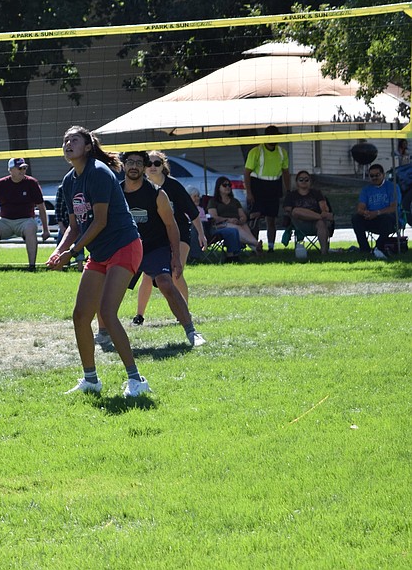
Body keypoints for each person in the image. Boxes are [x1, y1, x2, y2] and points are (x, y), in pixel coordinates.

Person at [46, 126, 150, 398]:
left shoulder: (99, 173)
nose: (68, 144)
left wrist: (74, 253)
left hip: (124, 245)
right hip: (100, 253)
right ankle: (91, 379)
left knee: (107, 312)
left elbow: (101, 221)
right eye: (65, 140)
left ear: (88, 146)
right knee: (80, 315)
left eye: (74, 140)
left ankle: (137, 380)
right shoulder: (69, 181)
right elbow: (74, 226)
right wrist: (59, 251)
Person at [119, 152, 205, 347]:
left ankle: (191, 330)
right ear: (123, 166)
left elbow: (174, 223)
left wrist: (176, 256)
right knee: (110, 287)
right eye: (130, 162)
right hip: (129, 246)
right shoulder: (116, 193)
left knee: (168, 280)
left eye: (139, 163)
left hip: (157, 245)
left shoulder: (160, 192)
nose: (135, 166)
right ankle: (105, 331)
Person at [0, 157, 49, 270]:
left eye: (24, 168)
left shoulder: (32, 183)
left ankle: (32, 266)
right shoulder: (0, 183)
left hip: (25, 220)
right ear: (10, 170)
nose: (23, 171)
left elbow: (41, 207)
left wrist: (45, 229)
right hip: (4, 221)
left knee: (31, 227)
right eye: (19, 168)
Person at [243, 125, 290, 251]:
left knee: (271, 219)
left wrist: (288, 189)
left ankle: (271, 247)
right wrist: (249, 192)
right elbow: (247, 172)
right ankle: (254, 246)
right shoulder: (256, 151)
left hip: (274, 186)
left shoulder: (282, 152)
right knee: (255, 218)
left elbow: (286, 172)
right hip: (258, 185)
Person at [282, 171, 334, 257]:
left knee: (321, 223)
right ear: (297, 182)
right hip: (300, 223)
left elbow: (324, 208)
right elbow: (288, 210)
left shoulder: (317, 193)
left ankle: (324, 252)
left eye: (306, 180)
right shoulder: (291, 195)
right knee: (296, 211)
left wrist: (324, 211)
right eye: (301, 180)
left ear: (310, 182)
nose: (304, 182)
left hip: (315, 223)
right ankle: (319, 217)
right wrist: (321, 216)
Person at [351, 163, 399, 259]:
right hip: (371, 218)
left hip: (388, 218)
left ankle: (379, 246)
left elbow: (393, 207)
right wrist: (365, 213)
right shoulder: (366, 190)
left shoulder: (392, 187)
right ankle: (365, 248)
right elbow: (360, 207)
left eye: (377, 175)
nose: (374, 178)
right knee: (356, 218)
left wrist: (377, 213)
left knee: (387, 218)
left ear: (383, 175)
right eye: (372, 176)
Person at [208, 176, 260, 254]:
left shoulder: (235, 201)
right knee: (235, 228)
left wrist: (241, 219)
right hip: (220, 225)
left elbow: (242, 215)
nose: (228, 187)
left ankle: (257, 249)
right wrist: (228, 220)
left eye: (229, 185)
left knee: (245, 227)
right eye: (224, 185)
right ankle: (256, 244)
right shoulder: (213, 201)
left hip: (237, 223)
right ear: (218, 187)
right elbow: (214, 217)